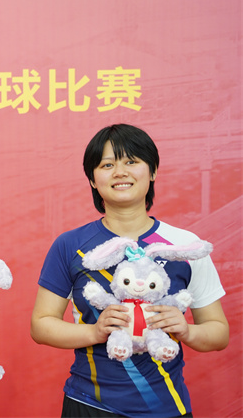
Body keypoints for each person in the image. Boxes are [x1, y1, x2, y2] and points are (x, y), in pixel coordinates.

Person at [30, 124, 229, 417]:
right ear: (92, 179)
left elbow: (218, 332)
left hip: (166, 407)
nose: (120, 173)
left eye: (131, 162)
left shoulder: (184, 245)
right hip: (89, 404)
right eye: (107, 165)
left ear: (153, 171)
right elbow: (41, 325)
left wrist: (186, 330)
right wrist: (95, 332)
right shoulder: (70, 245)